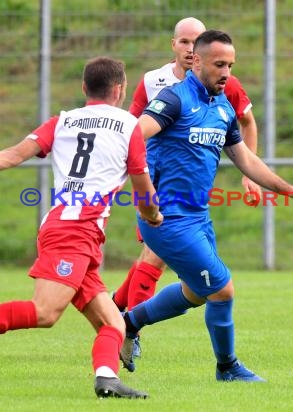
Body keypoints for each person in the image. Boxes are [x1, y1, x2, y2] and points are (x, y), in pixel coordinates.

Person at [0, 56, 163, 399]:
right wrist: (152, 215)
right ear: (119, 90)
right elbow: (142, 188)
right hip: (75, 232)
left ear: (84, 88)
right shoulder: (130, 125)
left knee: (112, 322)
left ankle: (107, 379)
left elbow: (15, 154)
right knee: (45, 312)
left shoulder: (63, 121)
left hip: (67, 228)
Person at [119, 30, 293, 382]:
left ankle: (128, 322)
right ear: (196, 61)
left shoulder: (223, 109)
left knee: (196, 292)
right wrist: (142, 189)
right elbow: (134, 134)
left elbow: (246, 160)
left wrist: (289, 189)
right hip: (166, 219)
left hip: (198, 217)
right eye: (219, 64)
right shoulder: (174, 100)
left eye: (231, 65)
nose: (226, 72)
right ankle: (228, 368)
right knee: (222, 288)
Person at [112, 17, 262, 363]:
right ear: (175, 46)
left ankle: (121, 316)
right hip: (158, 195)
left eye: (196, 42)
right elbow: (131, 131)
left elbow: (246, 122)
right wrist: (131, 178)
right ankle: (128, 329)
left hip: (197, 206)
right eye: (184, 42)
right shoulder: (155, 82)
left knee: (192, 287)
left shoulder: (224, 85)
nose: (190, 49)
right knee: (158, 259)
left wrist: (250, 173)